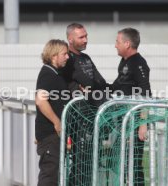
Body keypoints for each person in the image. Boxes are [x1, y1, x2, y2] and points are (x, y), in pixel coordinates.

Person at [61, 23, 108, 186]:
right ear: (70, 39)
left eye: (86, 36)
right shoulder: (67, 58)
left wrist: (93, 86)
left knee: (92, 159)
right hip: (78, 118)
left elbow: (99, 81)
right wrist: (87, 84)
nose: (86, 40)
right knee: (80, 160)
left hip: (92, 115)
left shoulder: (86, 58)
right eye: (81, 37)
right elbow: (83, 81)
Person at [112, 27, 152, 186]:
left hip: (134, 121)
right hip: (123, 120)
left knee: (134, 163)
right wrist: (94, 90)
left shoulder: (139, 63)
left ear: (127, 44)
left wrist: (143, 124)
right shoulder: (124, 62)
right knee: (122, 162)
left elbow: (145, 93)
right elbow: (116, 86)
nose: (115, 45)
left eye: (117, 41)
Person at [35, 39, 69, 186]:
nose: (67, 57)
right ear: (54, 55)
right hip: (50, 134)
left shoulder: (56, 74)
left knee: (55, 175)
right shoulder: (48, 74)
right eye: (65, 54)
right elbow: (41, 101)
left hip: (52, 135)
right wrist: (57, 123)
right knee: (49, 176)